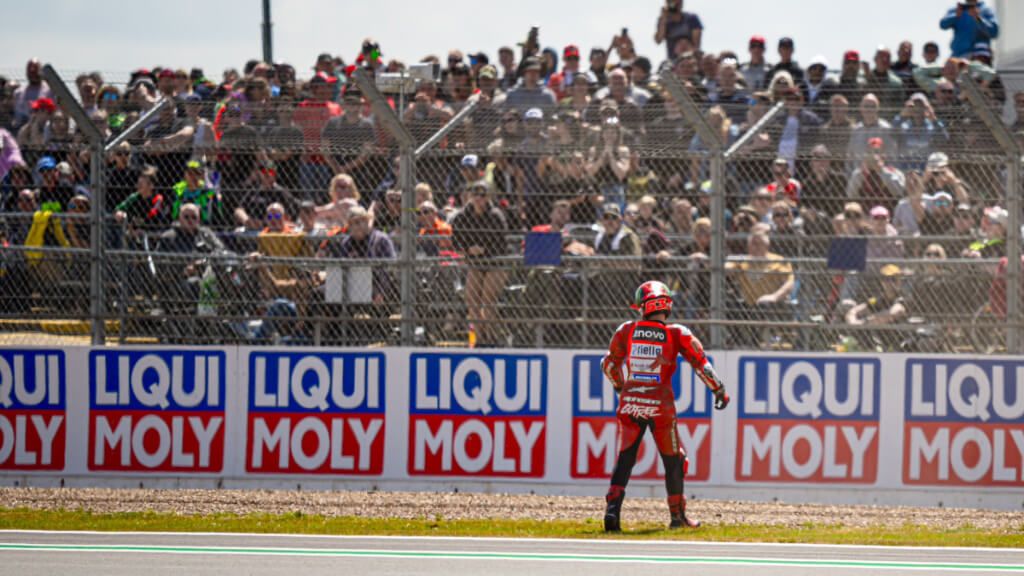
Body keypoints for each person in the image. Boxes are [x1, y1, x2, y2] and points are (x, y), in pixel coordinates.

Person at [600, 280, 729, 532]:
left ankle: (612, 513)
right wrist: (719, 390)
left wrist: (620, 387)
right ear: (666, 304)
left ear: (642, 306)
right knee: (674, 460)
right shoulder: (677, 333)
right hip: (661, 407)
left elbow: (608, 365)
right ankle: (677, 517)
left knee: (625, 457)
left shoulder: (626, 330)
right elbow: (701, 364)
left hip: (631, 404)